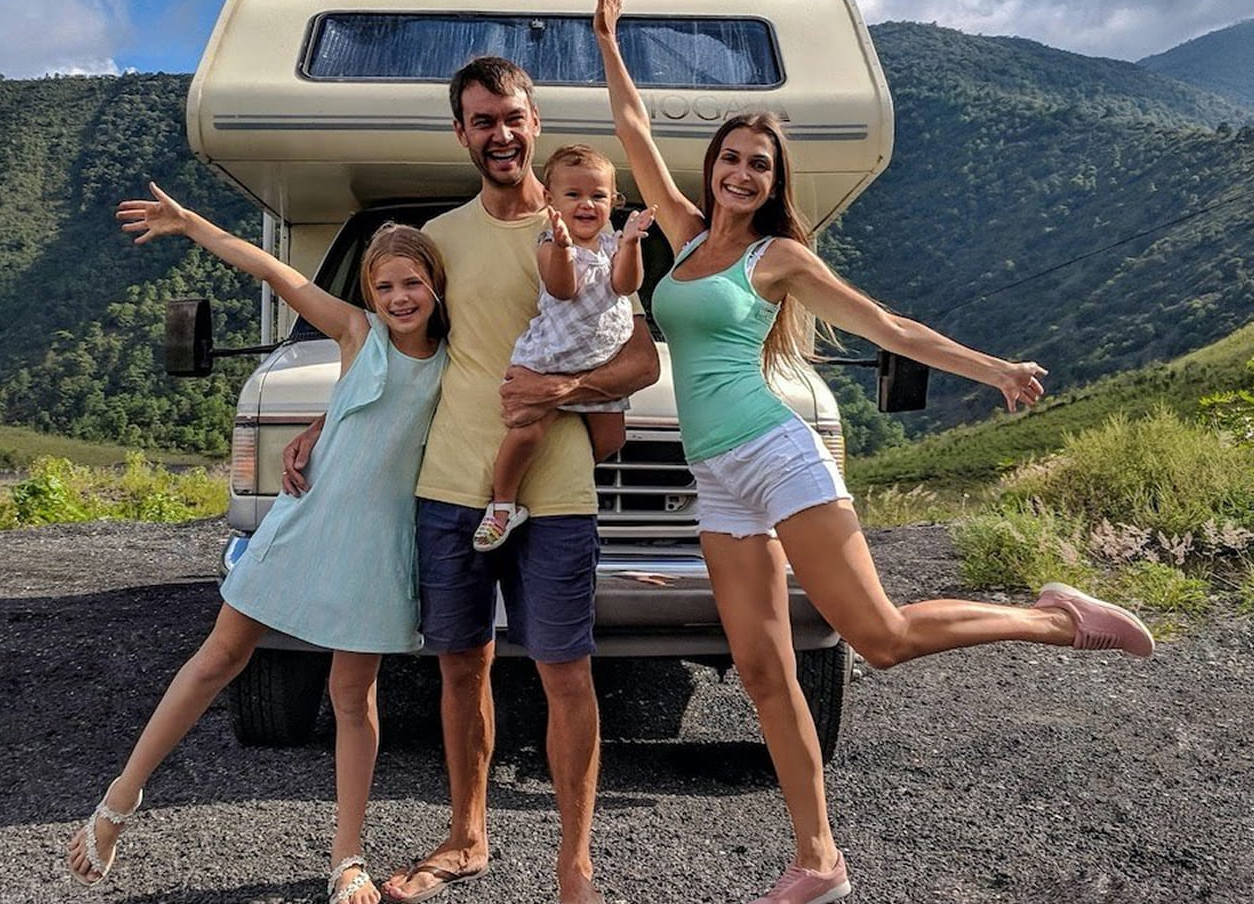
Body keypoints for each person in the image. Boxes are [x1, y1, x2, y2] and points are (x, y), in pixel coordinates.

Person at [591, 3, 1156, 903]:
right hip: (719, 482)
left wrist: (995, 369)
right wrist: (609, 45)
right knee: (762, 671)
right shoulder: (685, 233)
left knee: (881, 638)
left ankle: (1054, 618)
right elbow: (633, 130)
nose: (741, 172)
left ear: (775, 181)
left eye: (759, 164)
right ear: (714, 166)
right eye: (732, 158)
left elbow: (888, 327)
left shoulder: (778, 259)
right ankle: (818, 860)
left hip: (775, 455)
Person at [283, 57, 661, 904]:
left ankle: (576, 868)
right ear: (460, 132)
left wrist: (566, 389)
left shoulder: (586, 228)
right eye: (483, 120)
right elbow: (391, 351)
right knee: (462, 666)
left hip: (556, 489)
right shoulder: (441, 241)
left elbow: (639, 358)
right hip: (451, 484)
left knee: (566, 674)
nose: (500, 134)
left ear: (535, 122)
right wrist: (323, 423)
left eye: (512, 117)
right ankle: (465, 839)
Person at [64, 183, 449, 904]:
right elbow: (274, 272)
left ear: (436, 285)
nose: (400, 298)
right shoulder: (357, 334)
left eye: (413, 283)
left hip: (377, 548)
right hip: (304, 525)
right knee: (219, 657)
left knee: (353, 697)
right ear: (368, 294)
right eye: (385, 286)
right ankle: (119, 801)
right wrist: (189, 224)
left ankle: (347, 860)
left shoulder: (451, 363)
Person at [471, 143, 654, 552]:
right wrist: (564, 248)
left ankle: (561, 474)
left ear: (613, 201)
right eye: (573, 195)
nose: (586, 204)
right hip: (551, 358)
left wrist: (631, 244)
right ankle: (502, 505)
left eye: (598, 195)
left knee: (614, 436)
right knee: (527, 433)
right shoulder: (548, 243)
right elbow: (562, 288)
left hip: (596, 361)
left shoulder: (612, 244)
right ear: (550, 200)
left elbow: (625, 285)